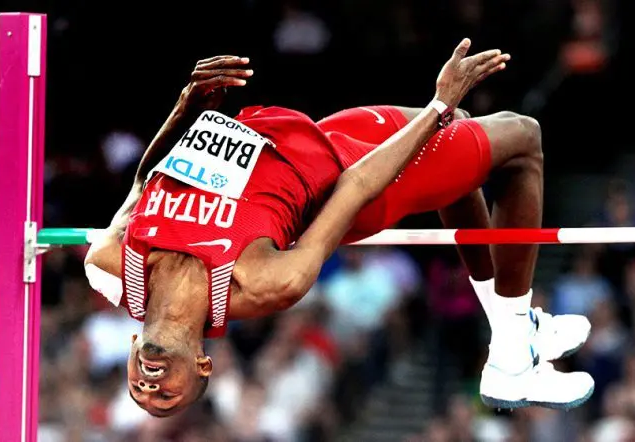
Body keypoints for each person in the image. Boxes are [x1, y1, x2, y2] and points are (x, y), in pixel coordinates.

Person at [84, 39, 594, 418]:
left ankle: (510, 331)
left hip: (311, 135)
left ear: (130, 355)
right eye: (166, 397)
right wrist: (436, 105)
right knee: (522, 138)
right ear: (202, 365)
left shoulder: (109, 265)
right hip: (357, 176)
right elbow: (355, 187)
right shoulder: (262, 281)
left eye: (139, 391)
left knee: (460, 128)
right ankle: (512, 356)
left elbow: (142, 182)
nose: (149, 387)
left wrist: (185, 107)